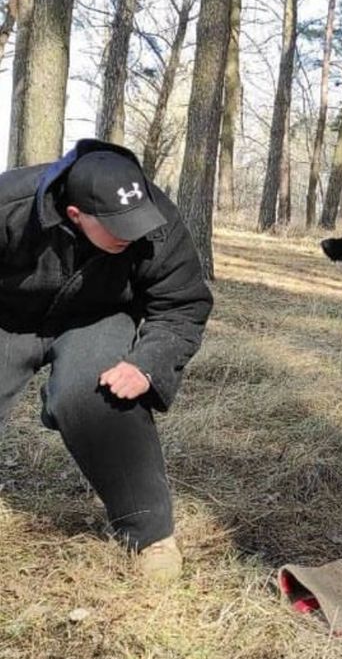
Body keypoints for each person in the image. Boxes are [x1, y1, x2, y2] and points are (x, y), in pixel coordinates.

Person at [0, 138, 213, 581]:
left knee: (99, 394)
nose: (132, 233)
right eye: (117, 226)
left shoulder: (157, 218)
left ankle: (150, 534)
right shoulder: (9, 204)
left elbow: (182, 303)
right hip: (8, 317)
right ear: (75, 216)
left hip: (96, 317)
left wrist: (148, 363)